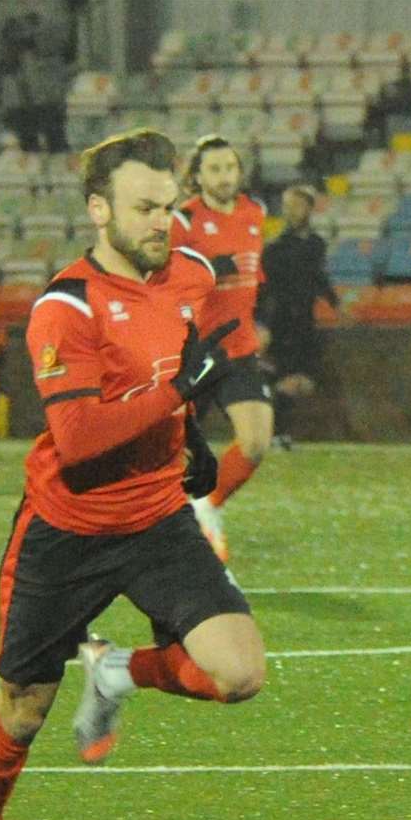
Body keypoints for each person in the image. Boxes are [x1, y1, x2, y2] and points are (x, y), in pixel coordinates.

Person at [0, 128, 266, 820]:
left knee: (239, 674)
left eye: (169, 206)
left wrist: (188, 437)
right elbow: (80, 438)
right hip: (67, 529)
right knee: (23, 708)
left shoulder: (189, 274)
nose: (163, 222)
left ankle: (119, 669)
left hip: (157, 517)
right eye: (144, 208)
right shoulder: (66, 307)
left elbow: (175, 365)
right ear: (99, 211)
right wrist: (177, 399)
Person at [171, 135, 270, 561]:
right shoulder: (185, 220)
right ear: (197, 175)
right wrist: (211, 269)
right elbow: (166, 277)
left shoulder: (255, 213)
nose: (224, 176)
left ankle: (207, 507)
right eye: (214, 169)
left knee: (255, 442)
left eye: (229, 167)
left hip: (240, 349)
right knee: (172, 453)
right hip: (196, 350)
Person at [255, 184, 340, 448]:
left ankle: (278, 432)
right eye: (287, 206)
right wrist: (258, 322)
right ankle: (275, 433)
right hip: (281, 322)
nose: (290, 211)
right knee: (287, 379)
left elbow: (318, 278)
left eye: (296, 205)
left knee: (299, 381)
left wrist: (335, 303)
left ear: (309, 208)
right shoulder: (275, 248)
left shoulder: (315, 245)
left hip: (304, 322)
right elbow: (262, 289)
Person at [0, 0, 75, 152]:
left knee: (55, 136)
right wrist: (0, 61)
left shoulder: (54, 4)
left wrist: (33, 38)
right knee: (25, 139)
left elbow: (62, 37)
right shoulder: (3, 7)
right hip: (15, 88)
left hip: (48, 87)